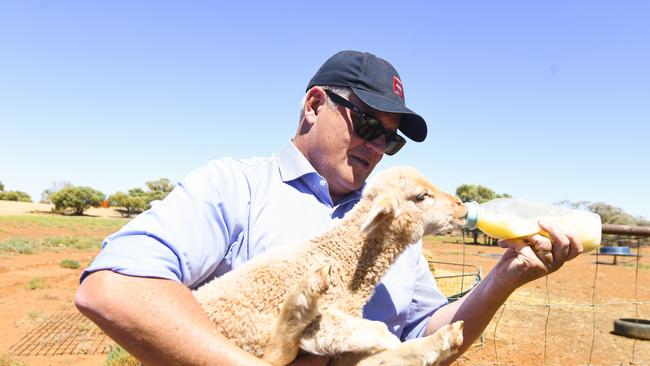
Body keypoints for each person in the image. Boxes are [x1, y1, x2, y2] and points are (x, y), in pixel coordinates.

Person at [75, 50, 583, 366]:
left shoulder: (395, 222)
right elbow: (113, 287)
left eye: (391, 140)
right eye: (366, 124)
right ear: (314, 104)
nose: (377, 147)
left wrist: (503, 279)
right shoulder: (236, 187)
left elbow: (429, 335)